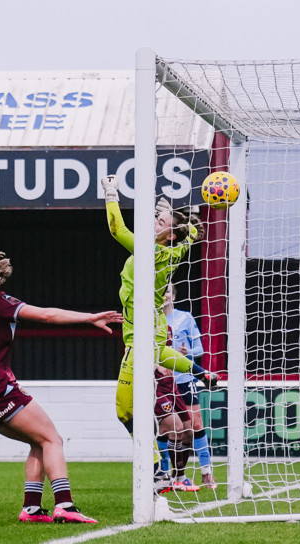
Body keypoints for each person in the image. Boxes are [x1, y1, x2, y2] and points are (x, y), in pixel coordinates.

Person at [0, 247, 123, 523]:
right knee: (53, 439)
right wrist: (89, 317)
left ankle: (31, 508)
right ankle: (65, 505)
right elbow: (47, 315)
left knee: (38, 441)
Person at [101, 175, 217, 436]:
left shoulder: (151, 252)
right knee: (159, 353)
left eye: (160, 222)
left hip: (140, 330)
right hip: (156, 326)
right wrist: (181, 218)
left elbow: (117, 230)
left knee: (124, 411)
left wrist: (110, 192)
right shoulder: (178, 248)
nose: (154, 223)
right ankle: (203, 374)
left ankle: (151, 458)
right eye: (156, 219)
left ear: (170, 234)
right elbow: (192, 233)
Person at [163, 283, 216, 489]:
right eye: (162, 291)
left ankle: (206, 472)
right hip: (162, 381)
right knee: (166, 428)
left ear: (174, 296)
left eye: (168, 291)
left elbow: (199, 349)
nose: (165, 295)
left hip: (184, 379)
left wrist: (188, 353)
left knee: (195, 425)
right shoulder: (152, 320)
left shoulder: (185, 318)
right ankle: (165, 474)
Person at [154, 365, 198, 493]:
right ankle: (177, 477)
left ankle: (177, 476)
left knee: (188, 432)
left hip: (172, 386)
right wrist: (155, 365)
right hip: (157, 388)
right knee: (176, 427)